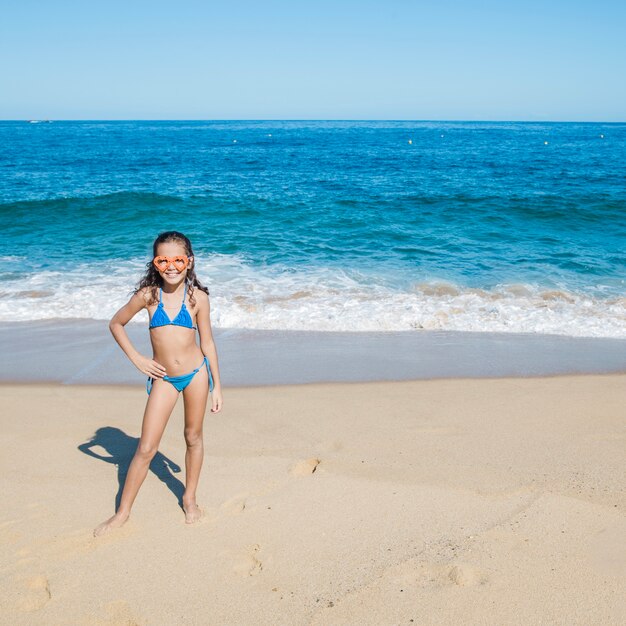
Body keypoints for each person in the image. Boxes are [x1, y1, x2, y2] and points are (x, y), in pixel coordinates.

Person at [94, 231, 223, 536]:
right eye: (162, 260)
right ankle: (122, 512)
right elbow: (116, 323)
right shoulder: (149, 296)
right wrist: (137, 359)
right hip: (163, 378)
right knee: (146, 447)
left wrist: (218, 384)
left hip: (196, 375)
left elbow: (208, 342)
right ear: (155, 263)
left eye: (178, 259)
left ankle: (189, 498)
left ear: (189, 262)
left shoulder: (198, 298)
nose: (171, 266)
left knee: (193, 436)